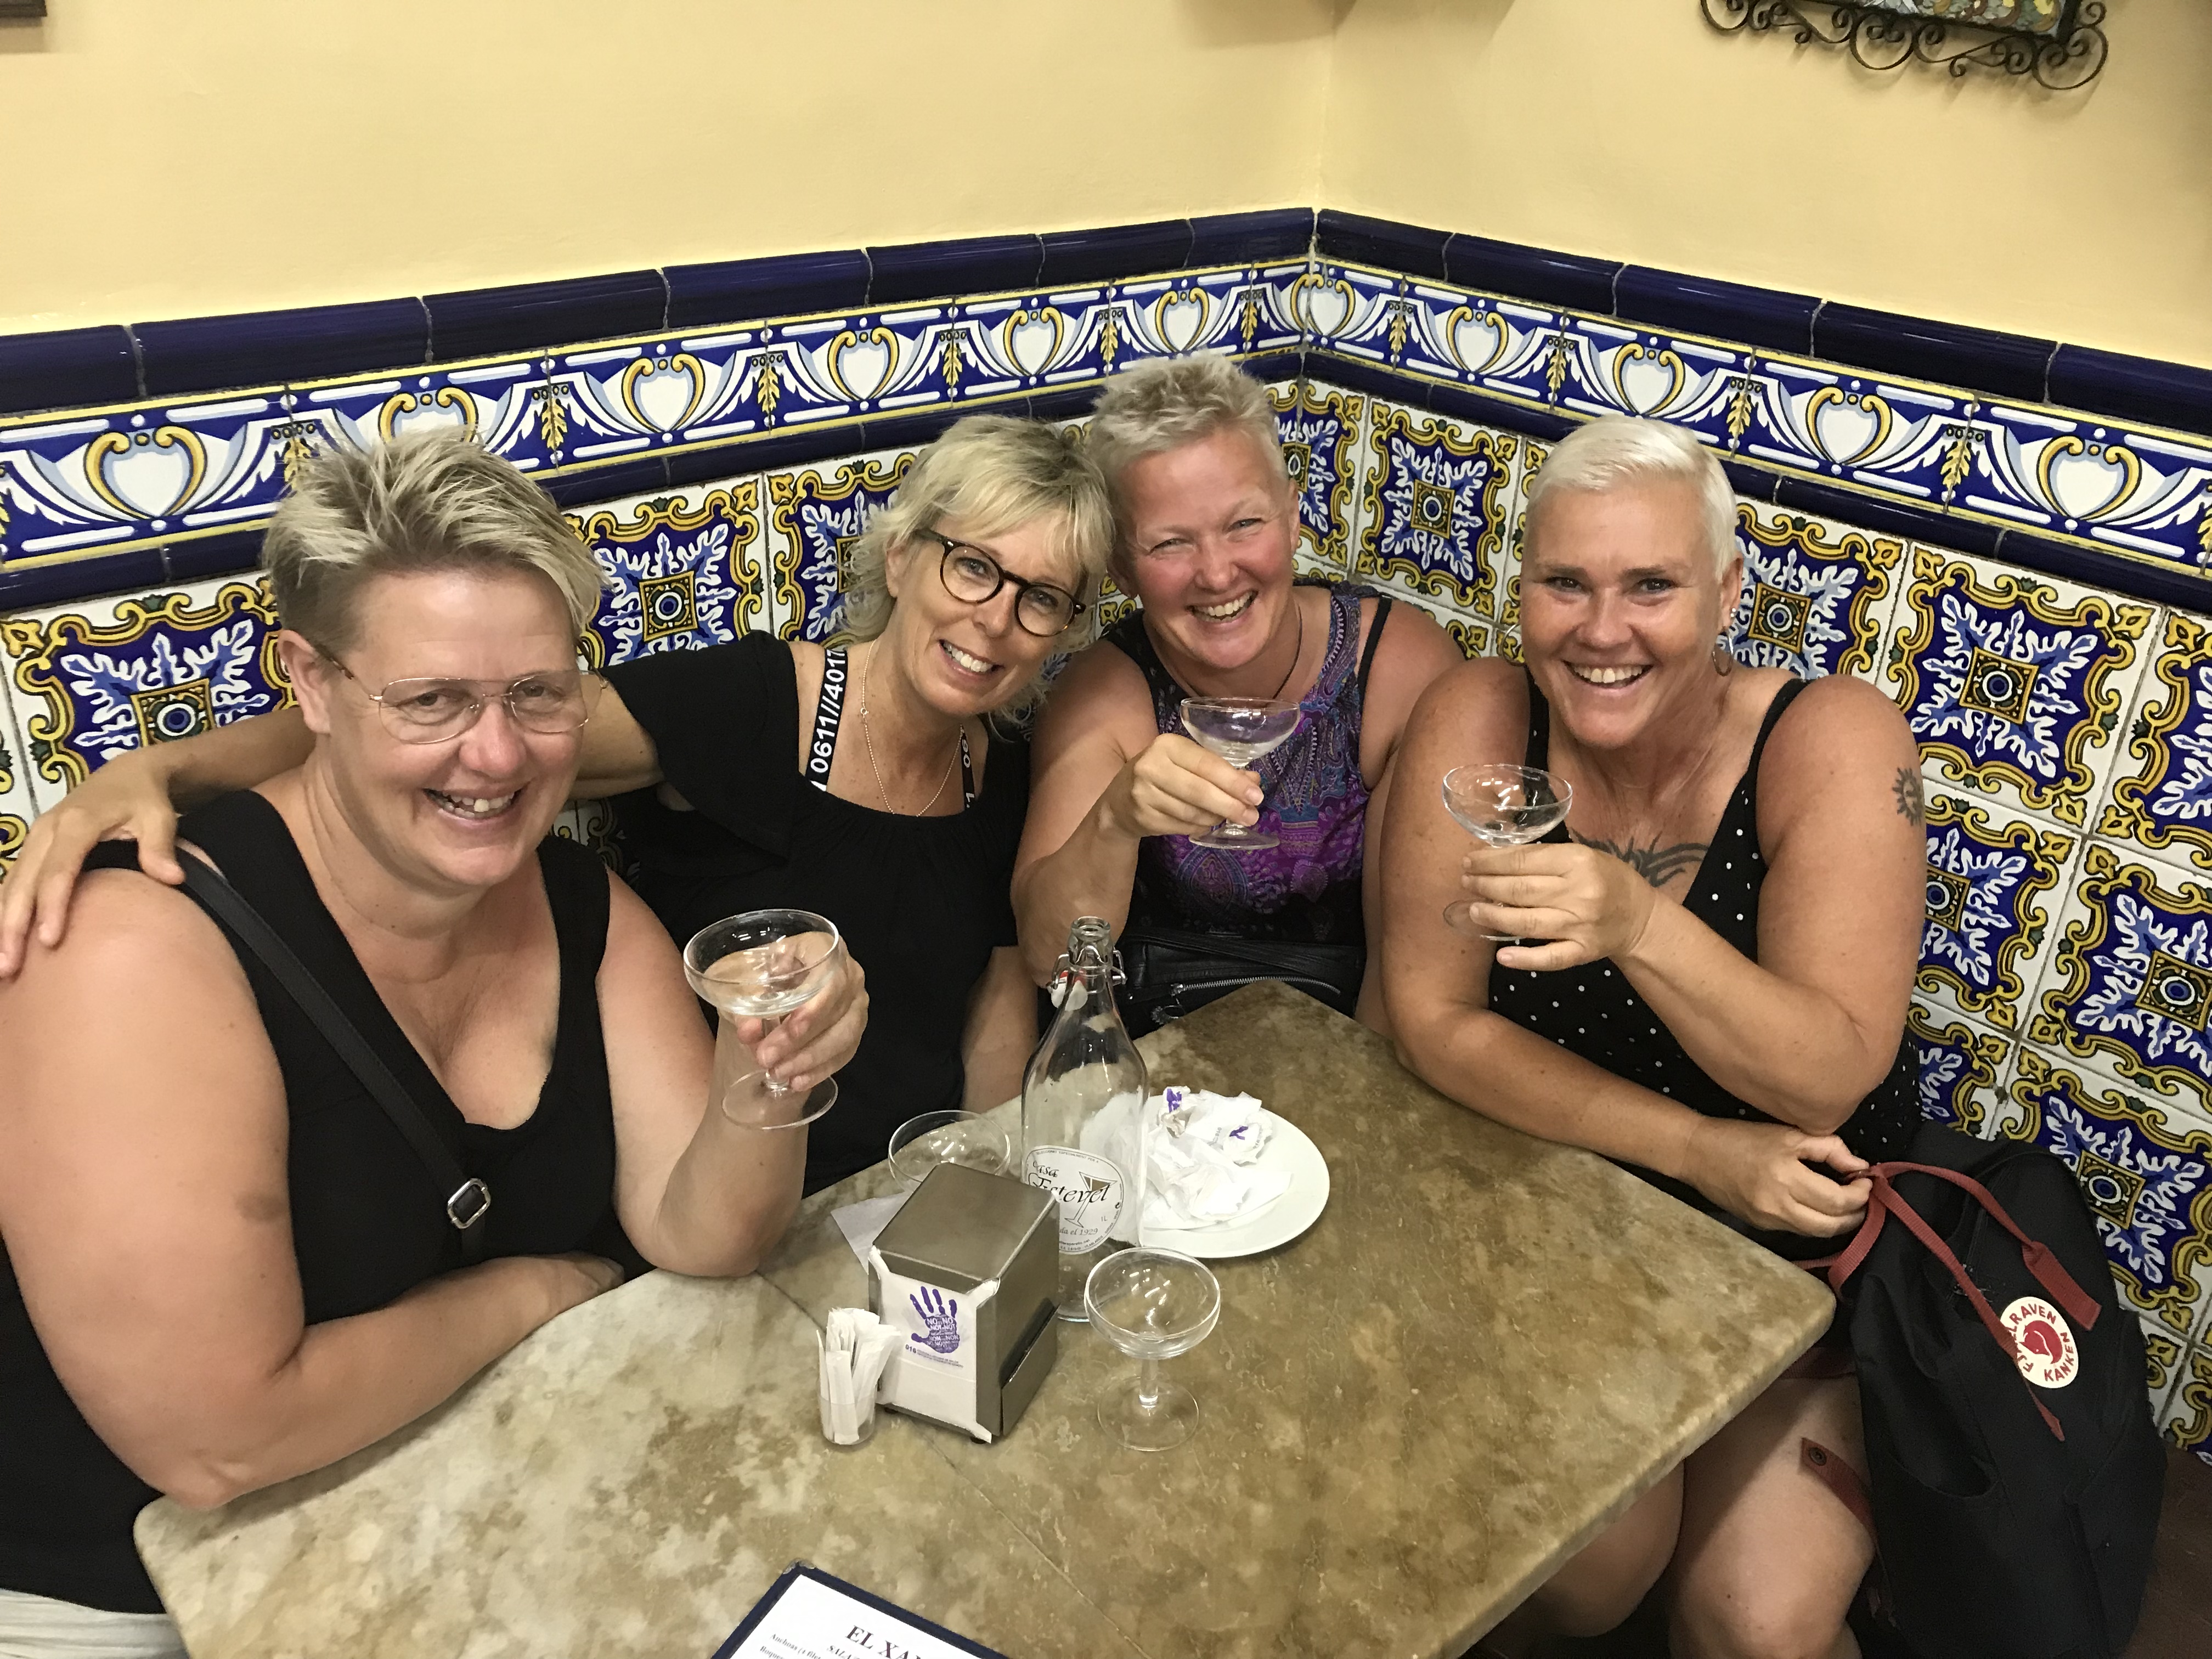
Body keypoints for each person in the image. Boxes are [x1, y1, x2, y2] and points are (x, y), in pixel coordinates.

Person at [0, 430, 866, 1655]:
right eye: (431, 700)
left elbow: (706, 1232)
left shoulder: (582, 907)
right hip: (137, 1586)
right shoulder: (133, 952)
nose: (498, 754)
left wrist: (769, 1070)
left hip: (457, 1502)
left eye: (539, 693)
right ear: (309, 683)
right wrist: (537, 1287)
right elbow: (218, 1441)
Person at [0, 414, 1113, 1195]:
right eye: (974, 567)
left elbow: (995, 992)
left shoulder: (998, 766)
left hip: (908, 1198)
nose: (996, 618)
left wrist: (988, 1177)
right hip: (719, 1191)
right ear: (906, 557)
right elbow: (448, 733)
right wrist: (167, 774)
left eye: (1042, 599)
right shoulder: (751, 706)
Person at [1380, 415, 1923, 1658]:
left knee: (1755, 1622)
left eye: (1651, 587)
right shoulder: (1479, 717)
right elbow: (1432, 1020)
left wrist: (1633, 919)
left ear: (1726, 593)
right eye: (1564, 583)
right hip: (1554, 1196)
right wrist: (1694, 1147)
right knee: (1589, 1568)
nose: (1601, 629)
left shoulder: (1830, 736)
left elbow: (1827, 1075)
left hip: (1789, 1236)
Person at [1014, 356, 1462, 1032]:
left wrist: (1349, 1091)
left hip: (1356, 1045)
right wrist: (1114, 821)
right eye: (1170, 543)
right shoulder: (1101, 696)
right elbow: (1050, 961)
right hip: (1166, 1054)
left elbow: (1414, 973)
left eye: (1244, 524)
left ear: (1293, 517)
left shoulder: (1398, 669)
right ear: (1121, 569)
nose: (1218, 574)